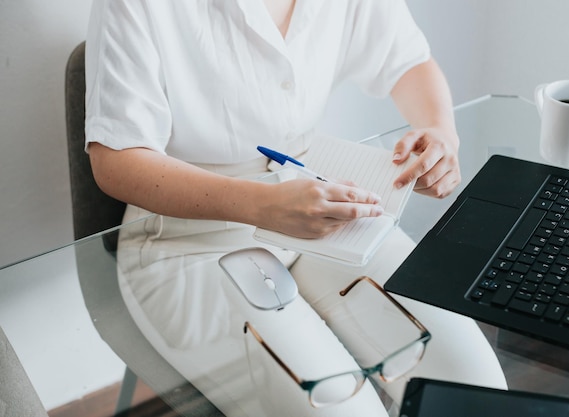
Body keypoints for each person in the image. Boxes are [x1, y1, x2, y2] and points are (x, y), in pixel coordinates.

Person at [85, 0, 507, 416]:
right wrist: (261, 204)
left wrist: (440, 134)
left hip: (317, 208)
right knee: (337, 408)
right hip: (189, 240)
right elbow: (115, 162)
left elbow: (408, 62)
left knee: (473, 383)